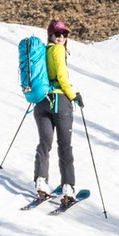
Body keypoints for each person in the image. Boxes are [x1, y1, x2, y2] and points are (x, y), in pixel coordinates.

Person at [32, 19, 84, 209]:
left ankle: (40, 182)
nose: (62, 37)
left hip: (41, 102)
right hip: (60, 102)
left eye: (64, 34)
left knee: (44, 143)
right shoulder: (58, 50)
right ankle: (68, 188)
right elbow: (61, 76)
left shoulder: (41, 52)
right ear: (51, 35)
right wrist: (74, 96)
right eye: (58, 34)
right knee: (64, 146)